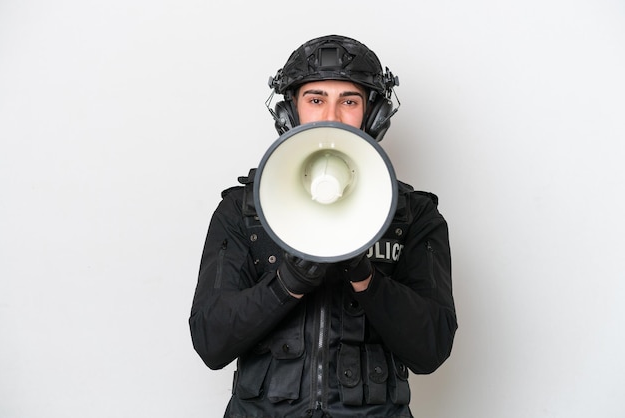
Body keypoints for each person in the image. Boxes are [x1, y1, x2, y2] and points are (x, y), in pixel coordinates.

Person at [189, 34, 457, 418]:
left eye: (349, 101)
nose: (331, 116)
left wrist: (365, 278)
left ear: (375, 115)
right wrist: (290, 281)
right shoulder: (241, 210)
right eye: (316, 100)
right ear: (290, 114)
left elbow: (431, 350)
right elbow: (211, 342)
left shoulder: (414, 216)